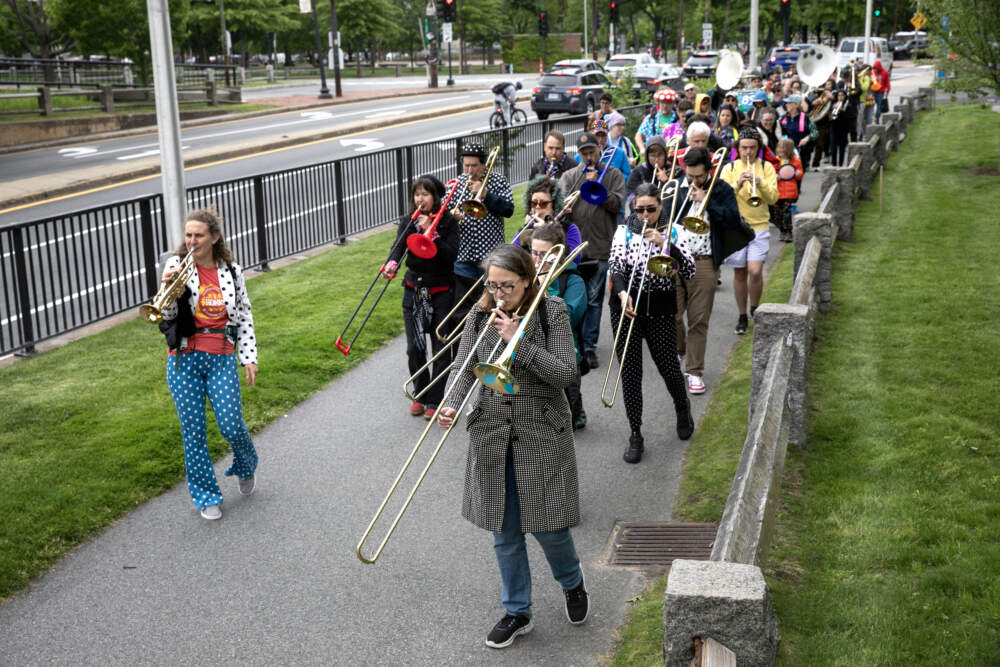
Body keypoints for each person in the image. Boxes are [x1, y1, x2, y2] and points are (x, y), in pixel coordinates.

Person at [436, 244, 588, 650]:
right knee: (504, 530)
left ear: (526, 280)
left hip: (541, 429)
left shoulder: (550, 311)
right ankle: (517, 611)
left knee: (549, 526)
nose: (499, 293)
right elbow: (464, 366)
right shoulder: (480, 314)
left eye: (507, 286)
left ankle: (572, 582)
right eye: (492, 285)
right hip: (492, 431)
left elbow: (564, 373)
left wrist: (518, 342)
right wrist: (450, 401)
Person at [160, 207, 258, 521]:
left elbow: (244, 316)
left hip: (221, 356)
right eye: (188, 235)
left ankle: (245, 463)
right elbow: (167, 319)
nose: (192, 241)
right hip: (184, 359)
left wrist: (249, 357)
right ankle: (206, 496)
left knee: (231, 424)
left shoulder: (231, 271)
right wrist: (169, 292)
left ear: (214, 238)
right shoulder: (176, 265)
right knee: (194, 432)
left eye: (198, 235)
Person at [607, 182, 697, 463]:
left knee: (669, 367)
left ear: (660, 206)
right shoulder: (624, 230)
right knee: (631, 374)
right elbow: (616, 265)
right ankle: (635, 434)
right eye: (640, 209)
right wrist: (622, 293)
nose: (645, 215)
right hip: (626, 306)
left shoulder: (674, 230)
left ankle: (682, 407)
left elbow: (690, 269)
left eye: (651, 209)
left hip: (659, 307)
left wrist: (664, 244)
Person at [673, 146, 750, 395]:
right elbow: (664, 217)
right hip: (675, 257)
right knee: (671, 315)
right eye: (689, 175)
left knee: (698, 319)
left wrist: (706, 201)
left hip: (704, 260)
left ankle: (694, 370)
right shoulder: (677, 186)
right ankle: (679, 349)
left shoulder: (721, 189)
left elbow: (731, 219)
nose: (693, 181)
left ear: (708, 170)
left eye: (698, 176)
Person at [383, 175, 461, 420]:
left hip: (441, 291)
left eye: (425, 194)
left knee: (440, 349)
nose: (420, 199)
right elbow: (398, 247)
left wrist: (432, 232)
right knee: (414, 348)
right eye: (417, 194)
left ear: (435, 198)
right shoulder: (409, 220)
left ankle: (435, 399)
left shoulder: (448, 222)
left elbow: (451, 256)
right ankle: (421, 392)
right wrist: (391, 264)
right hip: (414, 290)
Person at [559, 132, 625, 371]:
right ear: (579, 154)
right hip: (573, 250)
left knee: (594, 300)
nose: (589, 157)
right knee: (574, 300)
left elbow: (618, 205)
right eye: (584, 153)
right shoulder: (569, 177)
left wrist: (598, 187)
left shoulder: (614, 175)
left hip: (600, 247)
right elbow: (561, 207)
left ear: (599, 150)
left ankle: (589, 347)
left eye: (592, 152)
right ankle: (573, 344)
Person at [720, 127, 778, 335]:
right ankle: (742, 315)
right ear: (738, 148)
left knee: (755, 270)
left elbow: (773, 198)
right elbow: (723, 197)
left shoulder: (767, 167)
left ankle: (754, 307)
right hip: (736, 227)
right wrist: (738, 183)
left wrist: (760, 183)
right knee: (740, 272)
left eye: (752, 148)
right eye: (744, 148)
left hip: (759, 225)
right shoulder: (729, 169)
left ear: (758, 149)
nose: (748, 152)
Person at [451, 141, 515, 323]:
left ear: (484, 164)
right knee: (463, 310)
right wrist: (452, 217)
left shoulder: (498, 181)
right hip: (463, 257)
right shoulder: (457, 183)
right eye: (466, 165)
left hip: (491, 258)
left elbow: (508, 210)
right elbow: (443, 216)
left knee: (493, 306)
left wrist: (486, 195)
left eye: (474, 166)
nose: (470, 170)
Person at [532, 224, 588, 430]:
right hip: (532, 353)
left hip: (563, 354)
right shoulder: (525, 279)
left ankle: (577, 408)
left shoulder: (573, 281)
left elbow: (568, 317)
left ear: (557, 255)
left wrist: (546, 289)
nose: (537, 261)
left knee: (566, 420)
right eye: (534, 253)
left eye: (543, 255)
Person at [516, 174, 582, 263]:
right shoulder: (526, 229)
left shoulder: (569, 229)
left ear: (554, 206)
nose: (538, 207)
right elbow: (513, 257)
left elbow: (574, 259)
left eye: (543, 204)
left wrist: (549, 233)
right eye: (534, 203)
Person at [774, 138, 804, 243]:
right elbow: (770, 173)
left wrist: (797, 173)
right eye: (779, 147)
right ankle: (782, 229)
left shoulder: (796, 161)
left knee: (786, 213)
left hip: (789, 192)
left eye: (783, 148)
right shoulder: (775, 161)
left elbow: (800, 174)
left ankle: (788, 232)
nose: (780, 150)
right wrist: (774, 176)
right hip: (778, 192)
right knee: (777, 213)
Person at [779, 94, 817, 171]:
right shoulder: (782, 118)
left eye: (789, 103)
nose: (786, 105)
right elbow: (778, 132)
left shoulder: (806, 118)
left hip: (802, 152)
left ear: (796, 105)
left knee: (798, 175)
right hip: (786, 152)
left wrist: (807, 138)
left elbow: (815, 132)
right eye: (786, 103)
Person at [635, 88, 678, 155]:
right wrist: (642, 149)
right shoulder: (651, 117)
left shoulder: (677, 119)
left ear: (672, 103)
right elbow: (638, 135)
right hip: (651, 153)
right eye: (662, 102)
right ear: (659, 103)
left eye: (668, 103)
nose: (665, 106)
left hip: (669, 153)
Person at [828, 88, 852, 167]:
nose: (840, 97)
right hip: (834, 129)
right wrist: (832, 110)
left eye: (842, 95)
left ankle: (841, 164)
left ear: (845, 96)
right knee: (833, 148)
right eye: (839, 95)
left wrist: (841, 111)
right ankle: (834, 164)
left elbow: (849, 117)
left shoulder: (848, 105)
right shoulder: (834, 104)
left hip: (843, 129)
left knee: (842, 149)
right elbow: (831, 118)